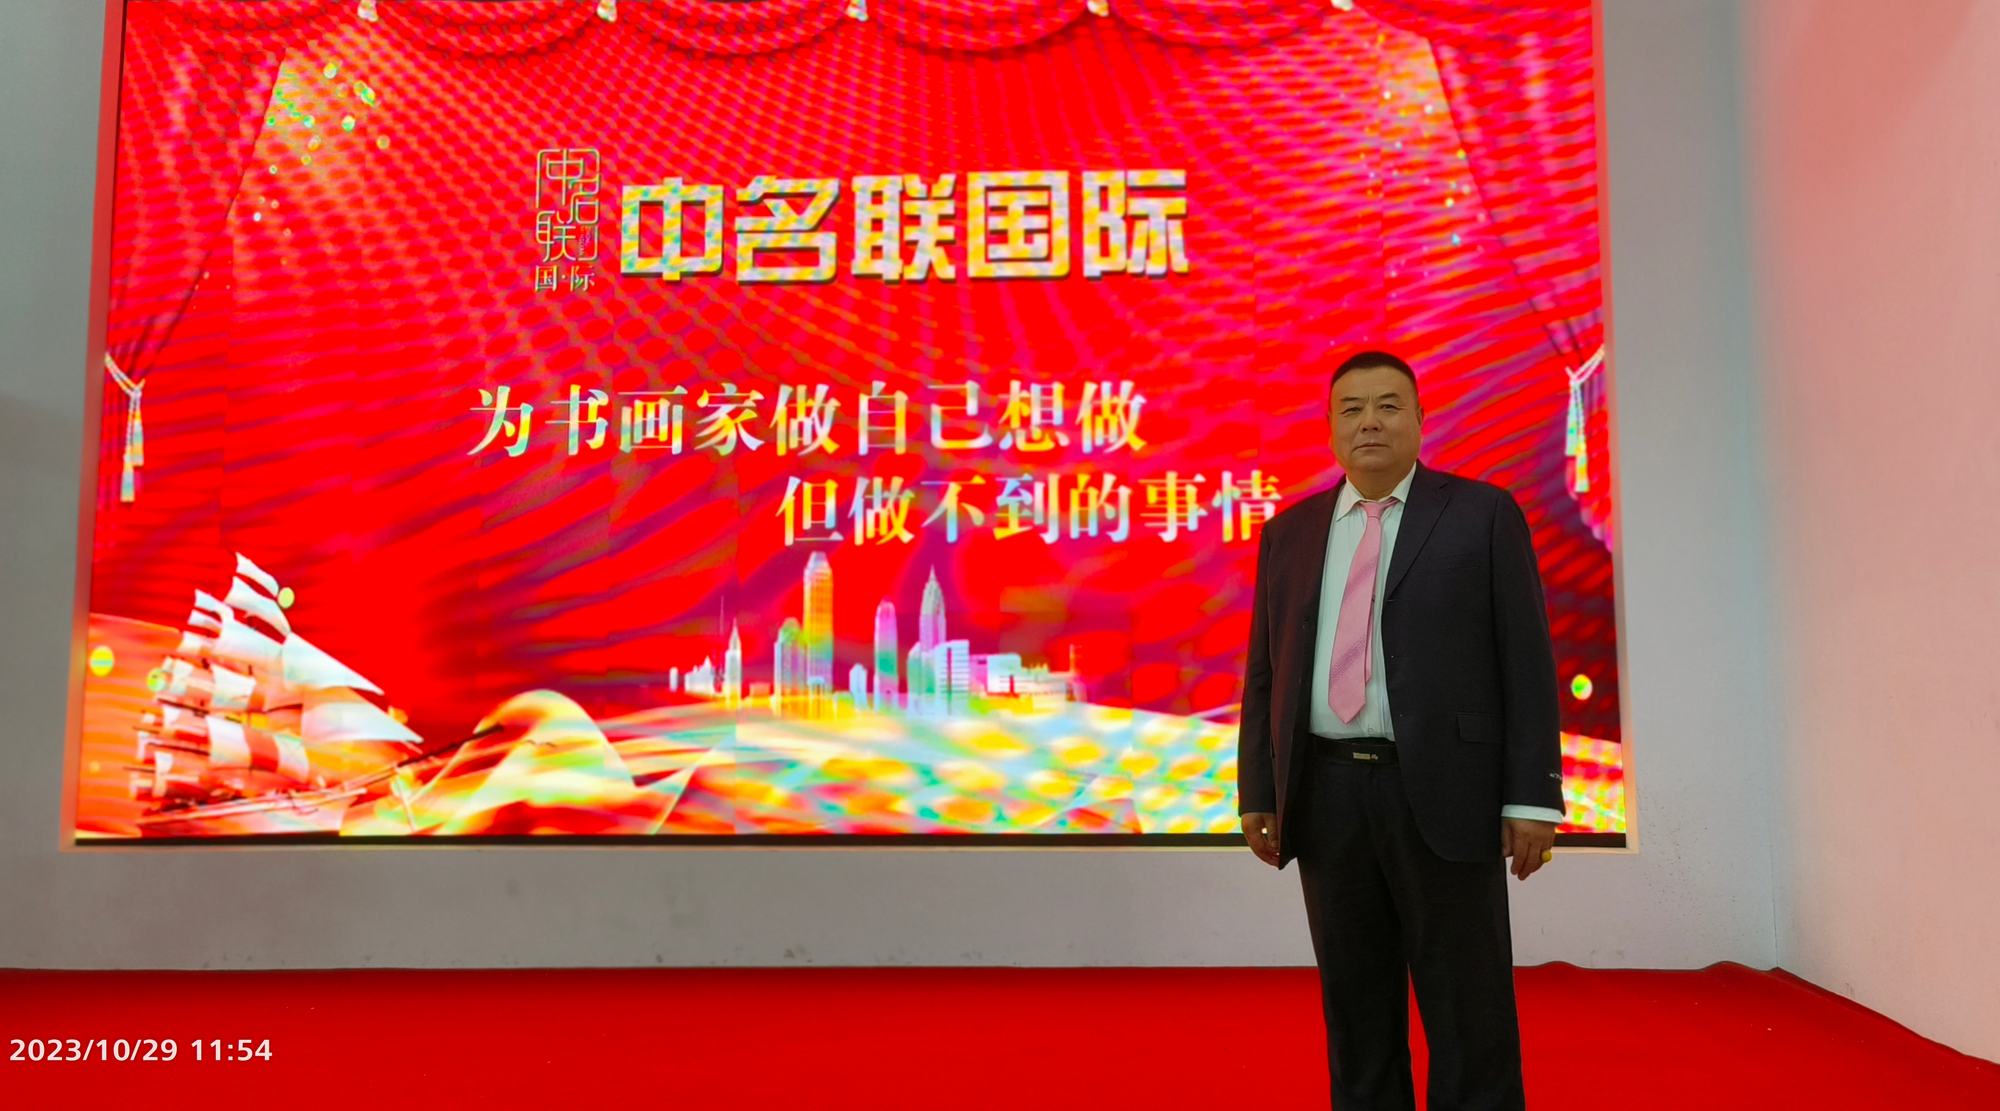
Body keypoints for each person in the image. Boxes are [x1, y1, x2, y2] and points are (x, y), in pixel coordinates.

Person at [1237, 351, 1565, 1110]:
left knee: (1469, 1007)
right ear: (1329, 427)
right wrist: (1259, 789)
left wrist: (1532, 797)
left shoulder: (1482, 515)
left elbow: (1526, 661)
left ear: (1420, 419)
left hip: (1448, 793)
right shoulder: (1290, 533)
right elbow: (1264, 673)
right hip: (1327, 796)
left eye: (1388, 405)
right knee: (1356, 1009)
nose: (1370, 423)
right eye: (1351, 409)